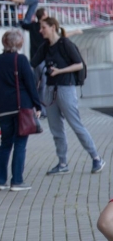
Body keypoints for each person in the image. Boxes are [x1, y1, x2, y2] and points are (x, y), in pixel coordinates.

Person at [32, 17, 105, 175]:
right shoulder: (45, 46)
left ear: (52, 27)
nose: (40, 30)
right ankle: (62, 163)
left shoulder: (65, 43)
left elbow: (79, 64)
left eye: (43, 27)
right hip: (50, 89)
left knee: (76, 124)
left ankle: (96, 158)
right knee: (56, 128)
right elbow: (33, 63)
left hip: (66, 88)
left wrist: (60, 71)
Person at [0, 30, 43, 191]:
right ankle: (17, 181)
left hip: (3, 109)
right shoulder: (20, 60)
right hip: (21, 108)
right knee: (20, 144)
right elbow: (30, 84)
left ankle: (0, 181)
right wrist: (37, 105)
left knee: (5, 144)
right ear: (19, 44)